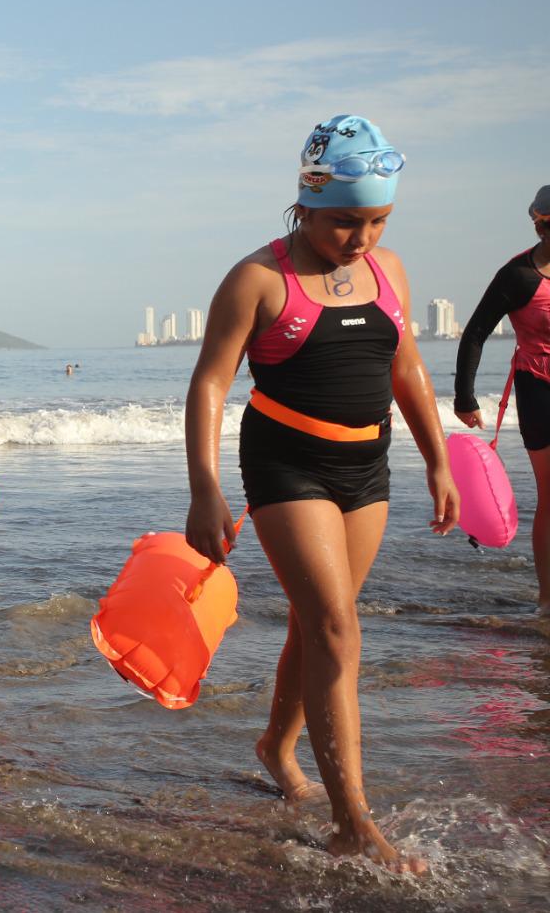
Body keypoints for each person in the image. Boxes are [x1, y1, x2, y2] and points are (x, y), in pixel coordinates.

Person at [185, 115, 458, 873]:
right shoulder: (259, 280)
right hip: (285, 462)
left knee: (319, 626)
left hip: (367, 468)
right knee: (337, 628)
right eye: (345, 221)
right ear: (304, 202)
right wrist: (204, 490)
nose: (361, 237)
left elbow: (406, 369)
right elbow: (210, 383)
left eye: (376, 220)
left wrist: (439, 459)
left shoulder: (390, 271)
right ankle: (352, 821)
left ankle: (276, 745)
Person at [453, 185, 550, 614]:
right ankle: (548, 600)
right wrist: (465, 397)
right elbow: (475, 331)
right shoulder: (518, 276)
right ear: (538, 221)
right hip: (539, 389)